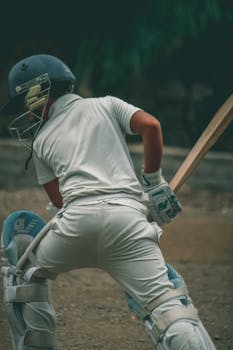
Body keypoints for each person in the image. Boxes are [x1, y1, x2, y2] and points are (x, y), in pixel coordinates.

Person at [0, 54, 216, 349]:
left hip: (74, 227)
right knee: (166, 305)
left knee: (24, 272)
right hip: (128, 223)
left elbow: (59, 204)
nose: (25, 112)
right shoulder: (106, 104)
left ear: (41, 93)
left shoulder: (40, 142)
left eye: (25, 102)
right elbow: (151, 126)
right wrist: (153, 186)